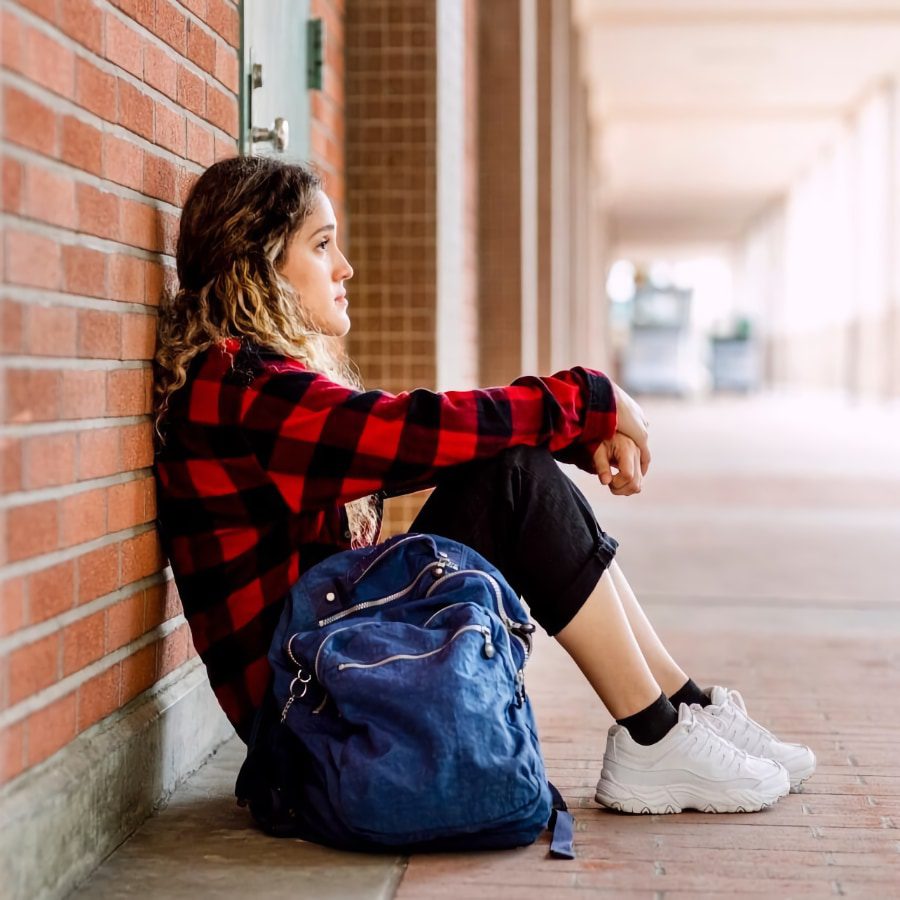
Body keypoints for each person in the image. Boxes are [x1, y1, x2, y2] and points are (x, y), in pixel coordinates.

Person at [153, 155, 815, 820]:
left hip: (336, 693)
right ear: (259, 265)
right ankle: (654, 735)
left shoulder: (246, 381)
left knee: (508, 470)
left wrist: (572, 438)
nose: (345, 267)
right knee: (511, 480)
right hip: (314, 733)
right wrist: (586, 399)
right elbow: (404, 433)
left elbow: (427, 444)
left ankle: (678, 710)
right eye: (322, 246)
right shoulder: (237, 390)